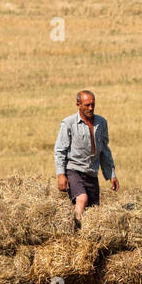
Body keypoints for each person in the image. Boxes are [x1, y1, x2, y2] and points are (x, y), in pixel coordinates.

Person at [54, 90, 117, 222]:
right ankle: (74, 231)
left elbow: (105, 151)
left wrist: (111, 174)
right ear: (78, 105)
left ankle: (87, 236)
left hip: (92, 173)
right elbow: (60, 150)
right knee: (82, 199)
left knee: (94, 210)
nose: (91, 108)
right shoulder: (68, 123)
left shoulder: (101, 123)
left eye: (93, 105)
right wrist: (61, 175)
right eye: (87, 105)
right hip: (74, 169)